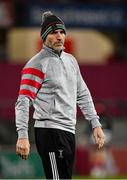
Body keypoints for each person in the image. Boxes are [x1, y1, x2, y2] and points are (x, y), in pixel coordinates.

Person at [15, 11, 105, 179]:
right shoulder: (36, 64)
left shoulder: (71, 61)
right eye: (54, 32)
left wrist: (95, 123)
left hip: (69, 131)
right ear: (44, 36)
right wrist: (22, 136)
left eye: (62, 32)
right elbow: (23, 100)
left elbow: (83, 93)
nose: (59, 36)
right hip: (50, 131)